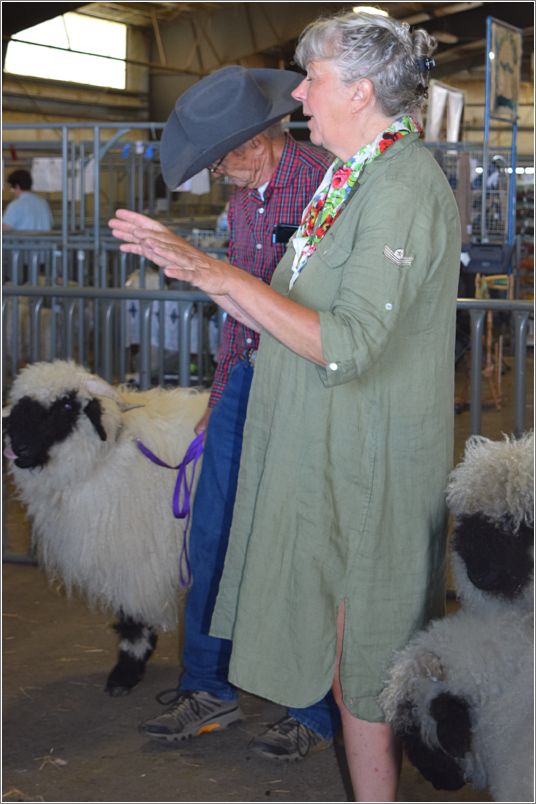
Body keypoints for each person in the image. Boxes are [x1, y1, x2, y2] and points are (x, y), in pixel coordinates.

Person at [110, 11, 461, 800]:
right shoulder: (354, 175)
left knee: (365, 668)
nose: (298, 93)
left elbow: (348, 340)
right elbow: (295, 304)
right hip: (323, 448)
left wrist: (217, 276)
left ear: (361, 90)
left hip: (365, 460)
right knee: (345, 666)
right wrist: (202, 273)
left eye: (313, 78)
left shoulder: (401, 188)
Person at [114, 66, 340, 761]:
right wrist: (219, 401)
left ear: (255, 142)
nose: (216, 172)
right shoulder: (247, 200)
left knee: (300, 544)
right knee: (211, 535)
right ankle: (209, 685)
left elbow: (326, 315)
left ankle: (312, 710)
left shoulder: (326, 187)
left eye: (221, 158)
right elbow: (241, 314)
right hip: (246, 380)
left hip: (305, 385)